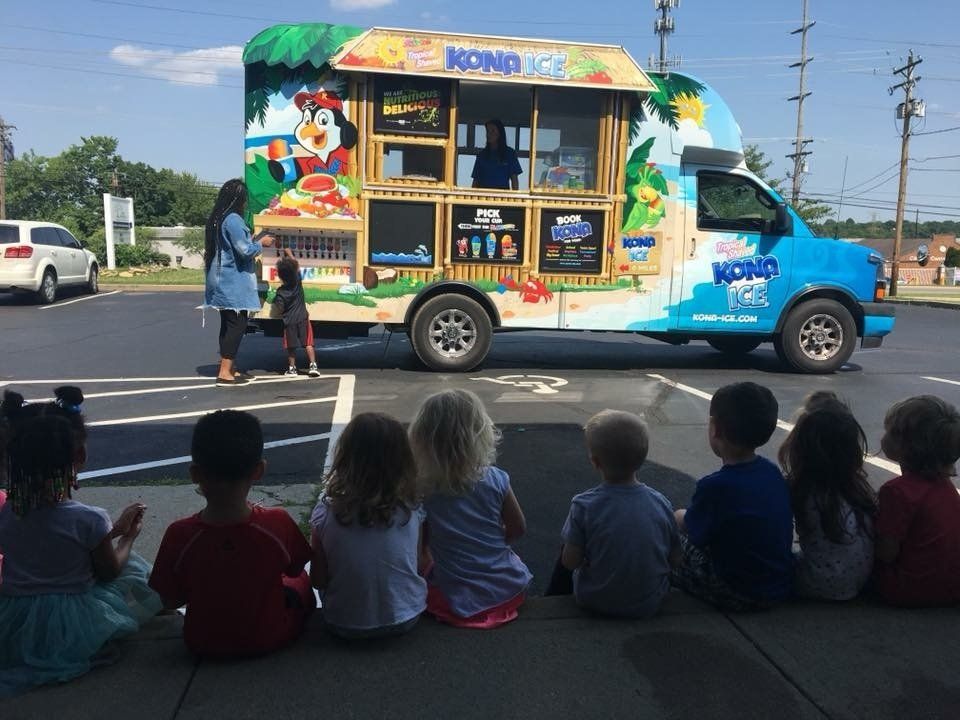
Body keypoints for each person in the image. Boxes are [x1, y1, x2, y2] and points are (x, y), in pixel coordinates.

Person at [0, 387, 160, 698]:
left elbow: (45, 543)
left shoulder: (6, 513)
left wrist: (112, 530)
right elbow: (108, 571)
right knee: (134, 567)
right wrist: (127, 537)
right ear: (79, 456)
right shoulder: (89, 518)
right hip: (71, 618)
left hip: (18, 616)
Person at [149, 410, 314, 657]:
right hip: (269, 637)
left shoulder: (179, 534)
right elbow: (294, 568)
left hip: (201, 643)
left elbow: (170, 600)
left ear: (195, 474)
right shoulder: (276, 523)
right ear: (259, 470)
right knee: (300, 580)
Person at [409, 389, 532, 628]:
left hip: (455, 598)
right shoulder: (496, 478)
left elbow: (420, 554)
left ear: (421, 439)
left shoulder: (423, 490)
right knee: (511, 558)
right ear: (480, 433)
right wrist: (492, 546)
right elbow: (518, 527)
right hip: (508, 588)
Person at [545, 410, 679, 618]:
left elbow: (570, 562)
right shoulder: (661, 502)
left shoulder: (584, 505)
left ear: (595, 462)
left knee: (570, 545)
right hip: (649, 603)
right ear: (643, 458)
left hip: (594, 600)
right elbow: (675, 558)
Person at [672, 382, 794, 610]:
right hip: (778, 585)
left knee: (668, 536)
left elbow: (692, 530)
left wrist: (677, 516)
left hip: (736, 591)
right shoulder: (771, 472)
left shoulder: (715, 486)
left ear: (716, 429)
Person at [310, 413, 427, 639]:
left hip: (342, 622)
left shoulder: (325, 512)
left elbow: (318, 579)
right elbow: (419, 564)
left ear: (345, 457)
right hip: (407, 616)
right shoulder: (412, 508)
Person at [778, 393, 877, 601]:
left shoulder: (801, 488)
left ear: (800, 447)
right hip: (860, 581)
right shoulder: (856, 486)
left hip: (815, 582)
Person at [873, 395, 960, 607]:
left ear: (906, 446)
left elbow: (886, 553)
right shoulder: (946, 487)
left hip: (908, 588)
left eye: (889, 431)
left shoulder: (896, 491)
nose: (883, 436)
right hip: (953, 587)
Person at [203, 178, 275, 387]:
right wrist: (261, 243)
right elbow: (245, 251)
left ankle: (229, 368)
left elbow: (235, 246)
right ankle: (225, 372)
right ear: (238, 200)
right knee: (237, 325)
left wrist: (252, 240)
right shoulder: (233, 219)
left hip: (220, 279)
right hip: (232, 281)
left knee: (228, 324)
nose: (245, 203)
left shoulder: (218, 218)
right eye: (244, 199)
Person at [275, 251, 320, 378]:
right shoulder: (297, 283)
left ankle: (292, 368)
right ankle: (313, 366)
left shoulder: (280, 292)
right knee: (308, 343)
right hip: (303, 318)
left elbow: (279, 309)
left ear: (280, 276)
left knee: (291, 346)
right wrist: (289, 253)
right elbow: (297, 266)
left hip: (289, 321)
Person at [471, 118, 522, 191]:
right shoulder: (482, 155)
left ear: (500, 133)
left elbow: (514, 180)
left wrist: (515, 197)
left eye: (492, 131)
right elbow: (475, 181)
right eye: (487, 131)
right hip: (483, 195)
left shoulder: (510, 153)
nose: (489, 134)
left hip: (503, 195)